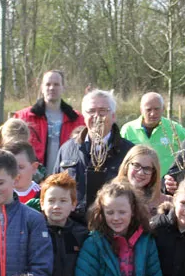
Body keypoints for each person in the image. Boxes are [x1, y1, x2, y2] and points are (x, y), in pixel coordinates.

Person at [57, 89, 134, 220]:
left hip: (114, 225)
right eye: (91, 111)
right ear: (83, 116)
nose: (97, 116)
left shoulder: (129, 152)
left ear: (113, 116)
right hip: (75, 227)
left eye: (103, 111)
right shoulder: (67, 149)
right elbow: (55, 187)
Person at [40, 172, 88, 276]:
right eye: (51, 201)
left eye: (63, 201)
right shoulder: (35, 232)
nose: (56, 206)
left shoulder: (82, 235)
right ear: (42, 204)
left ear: (73, 204)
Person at [14, 70, 86, 169]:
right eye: (48, 84)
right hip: (32, 177)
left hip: (65, 177)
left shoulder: (77, 120)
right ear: (42, 88)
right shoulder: (23, 117)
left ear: (63, 88)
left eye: (56, 84)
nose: (52, 88)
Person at [120, 92, 185, 172]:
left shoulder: (174, 128)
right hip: (137, 181)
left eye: (156, 109)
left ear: (163, 109)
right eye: (148, 110)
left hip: (167, 182)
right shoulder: (128, 130)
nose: (153, 113)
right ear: (141, 110)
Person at [116, 145, 169, 212]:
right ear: (127, 166)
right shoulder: (109, 196)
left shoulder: (165, 202)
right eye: (136, 165)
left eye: (147, 169)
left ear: (154, 173)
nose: (140, 172)